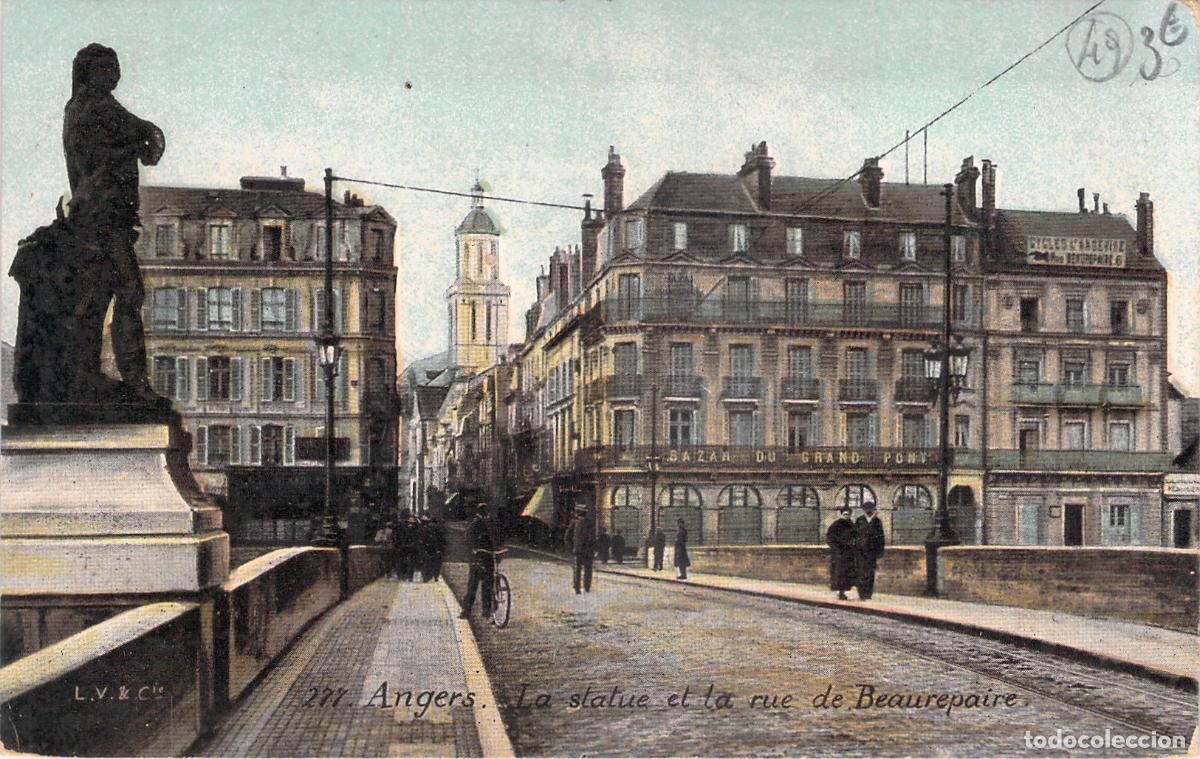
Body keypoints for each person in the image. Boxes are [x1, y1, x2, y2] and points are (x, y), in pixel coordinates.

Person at [63, 44, 165, 400]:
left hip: (103, 218)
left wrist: (144, 137)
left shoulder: (90, 106)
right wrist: (139, 142)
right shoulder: (94, 107)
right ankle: (133, 379)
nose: (116, 74)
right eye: (109, 68)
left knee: (98, 297)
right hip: (101, 218)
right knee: (128, 291)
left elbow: (142, 133)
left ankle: (86, 374)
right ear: (91, 72)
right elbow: (134, 140)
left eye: (116, 67)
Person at [461, 503, 498, 618]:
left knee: (486, 584)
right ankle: (467, 611)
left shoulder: (489, 523)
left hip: (488, 556)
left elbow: (495, 538)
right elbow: (468, 540)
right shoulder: (476, 523)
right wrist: (473, 551)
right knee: (474, 585)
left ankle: (486, 611)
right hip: (478, 557)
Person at [854, 501, 886, 600]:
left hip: (872, 552)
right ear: (864, 510)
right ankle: (861, 593)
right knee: (861, 572)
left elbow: (881, 537)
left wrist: (880, 552)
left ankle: (868, 594)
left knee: (870, 573)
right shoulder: (859, 520)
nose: (869, 512)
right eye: (867, 510)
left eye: (871, 510)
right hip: (860, 552)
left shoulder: (877, 522)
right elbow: (855, 535)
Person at [563, 504, 596, 593]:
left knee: (579, 569)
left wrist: (571, 547)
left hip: (580, 550)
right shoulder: (584, 523)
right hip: (584, 551)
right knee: (585, 569)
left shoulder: (577, 522)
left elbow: (567, 537)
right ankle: (583, 588)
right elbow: (593, 538)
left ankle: (581, 588)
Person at [827, 505, 857, 600]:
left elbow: (856, 536)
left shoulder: (851, 525)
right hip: (839, 554)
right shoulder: (836, 525)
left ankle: (843, 591)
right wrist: (836, 547)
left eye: (848, 514)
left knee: (847, 573)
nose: (846, 516)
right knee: (838, 572)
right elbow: (830, 538)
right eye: (844, 514)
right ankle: (840, 592)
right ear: (841, 514)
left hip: (848, 554)